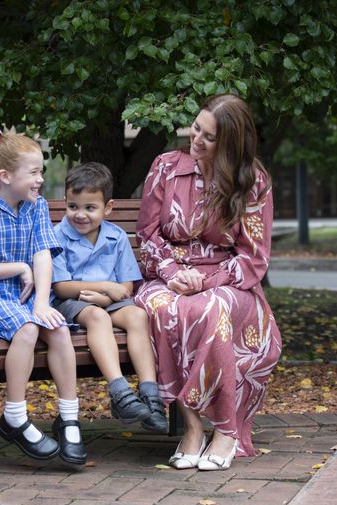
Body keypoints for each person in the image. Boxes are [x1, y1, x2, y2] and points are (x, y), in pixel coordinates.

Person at [134, 93, 282, 471]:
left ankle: (227, 431)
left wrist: (205, 280)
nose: (196, 139)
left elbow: (254, 258)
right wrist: (172, 273)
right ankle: (194, 428)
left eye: (209, 137)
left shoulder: (253, 182)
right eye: (196, 128)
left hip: (230, 282)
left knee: (211, 309)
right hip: (166, 276)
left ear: (231, 143)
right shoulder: (166, 167)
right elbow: (148, 236)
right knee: (164, 308)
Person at [0, 127, 87, 465]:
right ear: (5, 176)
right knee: (29, 329)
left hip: (27, 299)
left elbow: (43, 254)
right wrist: (18, 267)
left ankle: (68, 415)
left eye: (41, 172)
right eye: (33, 172)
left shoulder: (36, 206)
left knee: (59, 328)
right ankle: (15, 414)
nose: (40, 179)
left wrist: (42, 301)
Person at [50, 162, 168, 433]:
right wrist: (105, 288)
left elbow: (126, 285)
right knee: (96, 316)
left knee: (138, 315)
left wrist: (108, 295)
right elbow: (60, 287)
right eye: (73, 206)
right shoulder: (58, 236)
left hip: (110, 300)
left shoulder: (116, 237)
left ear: (108, 207)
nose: (80, 215)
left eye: (90, 208)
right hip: (73, 302)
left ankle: (151, 395)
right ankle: (119, 392)